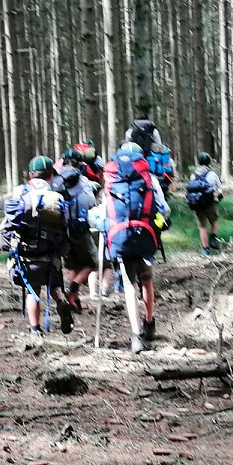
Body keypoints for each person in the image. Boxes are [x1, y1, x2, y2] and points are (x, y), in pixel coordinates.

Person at [0, 156, 73, 336]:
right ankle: (61, 301)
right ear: (50, 176)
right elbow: (65, 227)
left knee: (33, 291)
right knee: (55, 285)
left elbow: (7, 225)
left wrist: (8, 245)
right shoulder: (56, 196)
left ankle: (35, 330)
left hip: (27, 254)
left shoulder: (21, 193)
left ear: (31, 175)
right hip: (51, 254)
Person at [104, 143, 167, 352]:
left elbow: (104, 212)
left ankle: (136, 334)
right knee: (146, 281)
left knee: (129, 285)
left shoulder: (111, 180)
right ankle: (149, 322)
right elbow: (164, 209)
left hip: (121, 238)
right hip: (145, 237)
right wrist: (158, 223)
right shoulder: (150, 180)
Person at [55, 161, 100, 310]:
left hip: (63, 232)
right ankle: (73, 287)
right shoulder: (83, 188)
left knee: (73, 267)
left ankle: (74, 301)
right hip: (80, 231)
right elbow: (91, 204)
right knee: (92, 264)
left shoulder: (58, 188)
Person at [184, 153, 222, 255]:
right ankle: (213, 237)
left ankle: (205, 249)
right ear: (209, 162)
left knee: (202, 226)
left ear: (199, 162)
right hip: (210, 202)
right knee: (214, 220)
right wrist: (217, 196)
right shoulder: (212, 174)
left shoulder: (193, 175)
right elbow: (219, 189)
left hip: (197, 203)